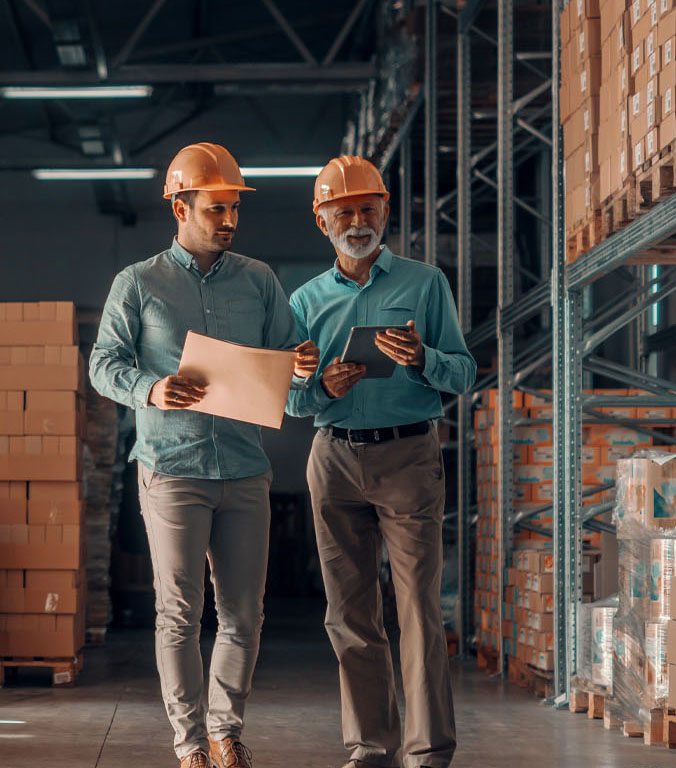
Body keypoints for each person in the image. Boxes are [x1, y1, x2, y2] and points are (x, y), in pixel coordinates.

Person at [90, 142, 319, 768]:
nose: (228, 220)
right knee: (179, 613)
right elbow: (102, 366)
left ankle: (226, 731)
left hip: (245, 468)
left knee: (245, 614)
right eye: (216, 208)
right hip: (171, 467)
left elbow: (289, 368)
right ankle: (189, 743)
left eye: (233, 210)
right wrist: (153, 388)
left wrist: (302, 365)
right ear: (180, 205)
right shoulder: (137, 283)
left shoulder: (260, 281)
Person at [286, 155, 477, 768]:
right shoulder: (305, 300)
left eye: (369, 208)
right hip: (334, 458)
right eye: (343, 211)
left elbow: (465, 371)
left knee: (418, 610)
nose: (358, 220)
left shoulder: (425, 284)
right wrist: (323, 389)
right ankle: (371, 747)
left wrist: (422, 358)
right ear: (322, 222)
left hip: (408, 457)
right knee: (348, 613)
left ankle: (427, 753)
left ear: (385, 211)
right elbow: (289, 396)